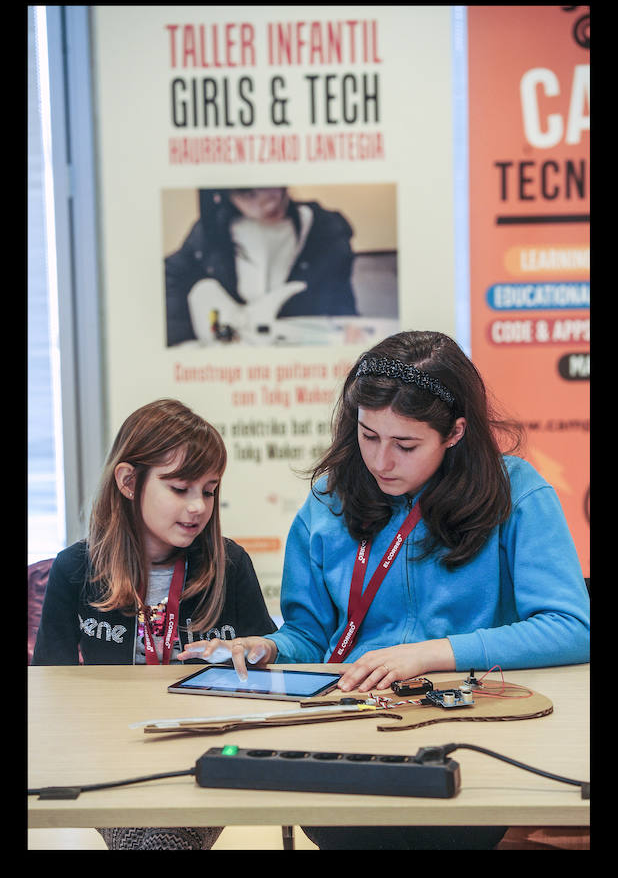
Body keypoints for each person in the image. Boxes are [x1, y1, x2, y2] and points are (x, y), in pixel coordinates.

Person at [179, 330, 590, 850]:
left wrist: (431, 655)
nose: (380, 462)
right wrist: (266, 648)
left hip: (476, 736)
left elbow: (571, 628)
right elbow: (313, 637)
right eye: (368, 435)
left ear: (456, 432)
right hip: (351, 733)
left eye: (406, 444)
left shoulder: (516, 494)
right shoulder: (327, 504)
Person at [32, 398, 277, 851]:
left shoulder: (230, 564)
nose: (198, 507)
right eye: (180, 488)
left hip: (209, 749)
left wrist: (260, 649)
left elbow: (271, 652)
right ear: (128, 481)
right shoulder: (74, 570)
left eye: (208, 490)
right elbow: (48, 687)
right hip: (111, 752)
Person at [165, 187, 358, 345]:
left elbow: (341, 303)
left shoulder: (325, 230)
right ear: (225, 195)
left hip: (297, 357)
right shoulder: (211, 232)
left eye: (270, 186)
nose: (269, 201)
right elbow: (171, 279)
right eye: (248, 194)